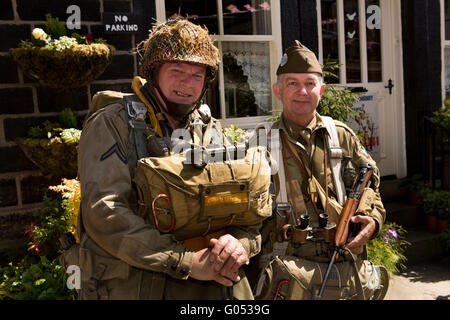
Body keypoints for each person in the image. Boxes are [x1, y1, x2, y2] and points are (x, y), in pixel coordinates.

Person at [75, 20, 265, 300]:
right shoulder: (113, 124)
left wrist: (237, 244)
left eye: (197, 75)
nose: (187, 84)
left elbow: (246, 207)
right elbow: (104, 212)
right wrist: (186, 262)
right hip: (141, 284)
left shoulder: (210, 128)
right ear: (153, 72)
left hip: (213, 284)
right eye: (177, 71)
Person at [248, 40, 387, 300]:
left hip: (344, 267)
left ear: (321, 90)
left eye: (310, 83)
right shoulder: (258, 143)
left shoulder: (341, 137)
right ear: (278, 91)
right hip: (286, 274)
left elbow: (371, 185)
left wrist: (373, 220)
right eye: (292, 83)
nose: (302, 91)